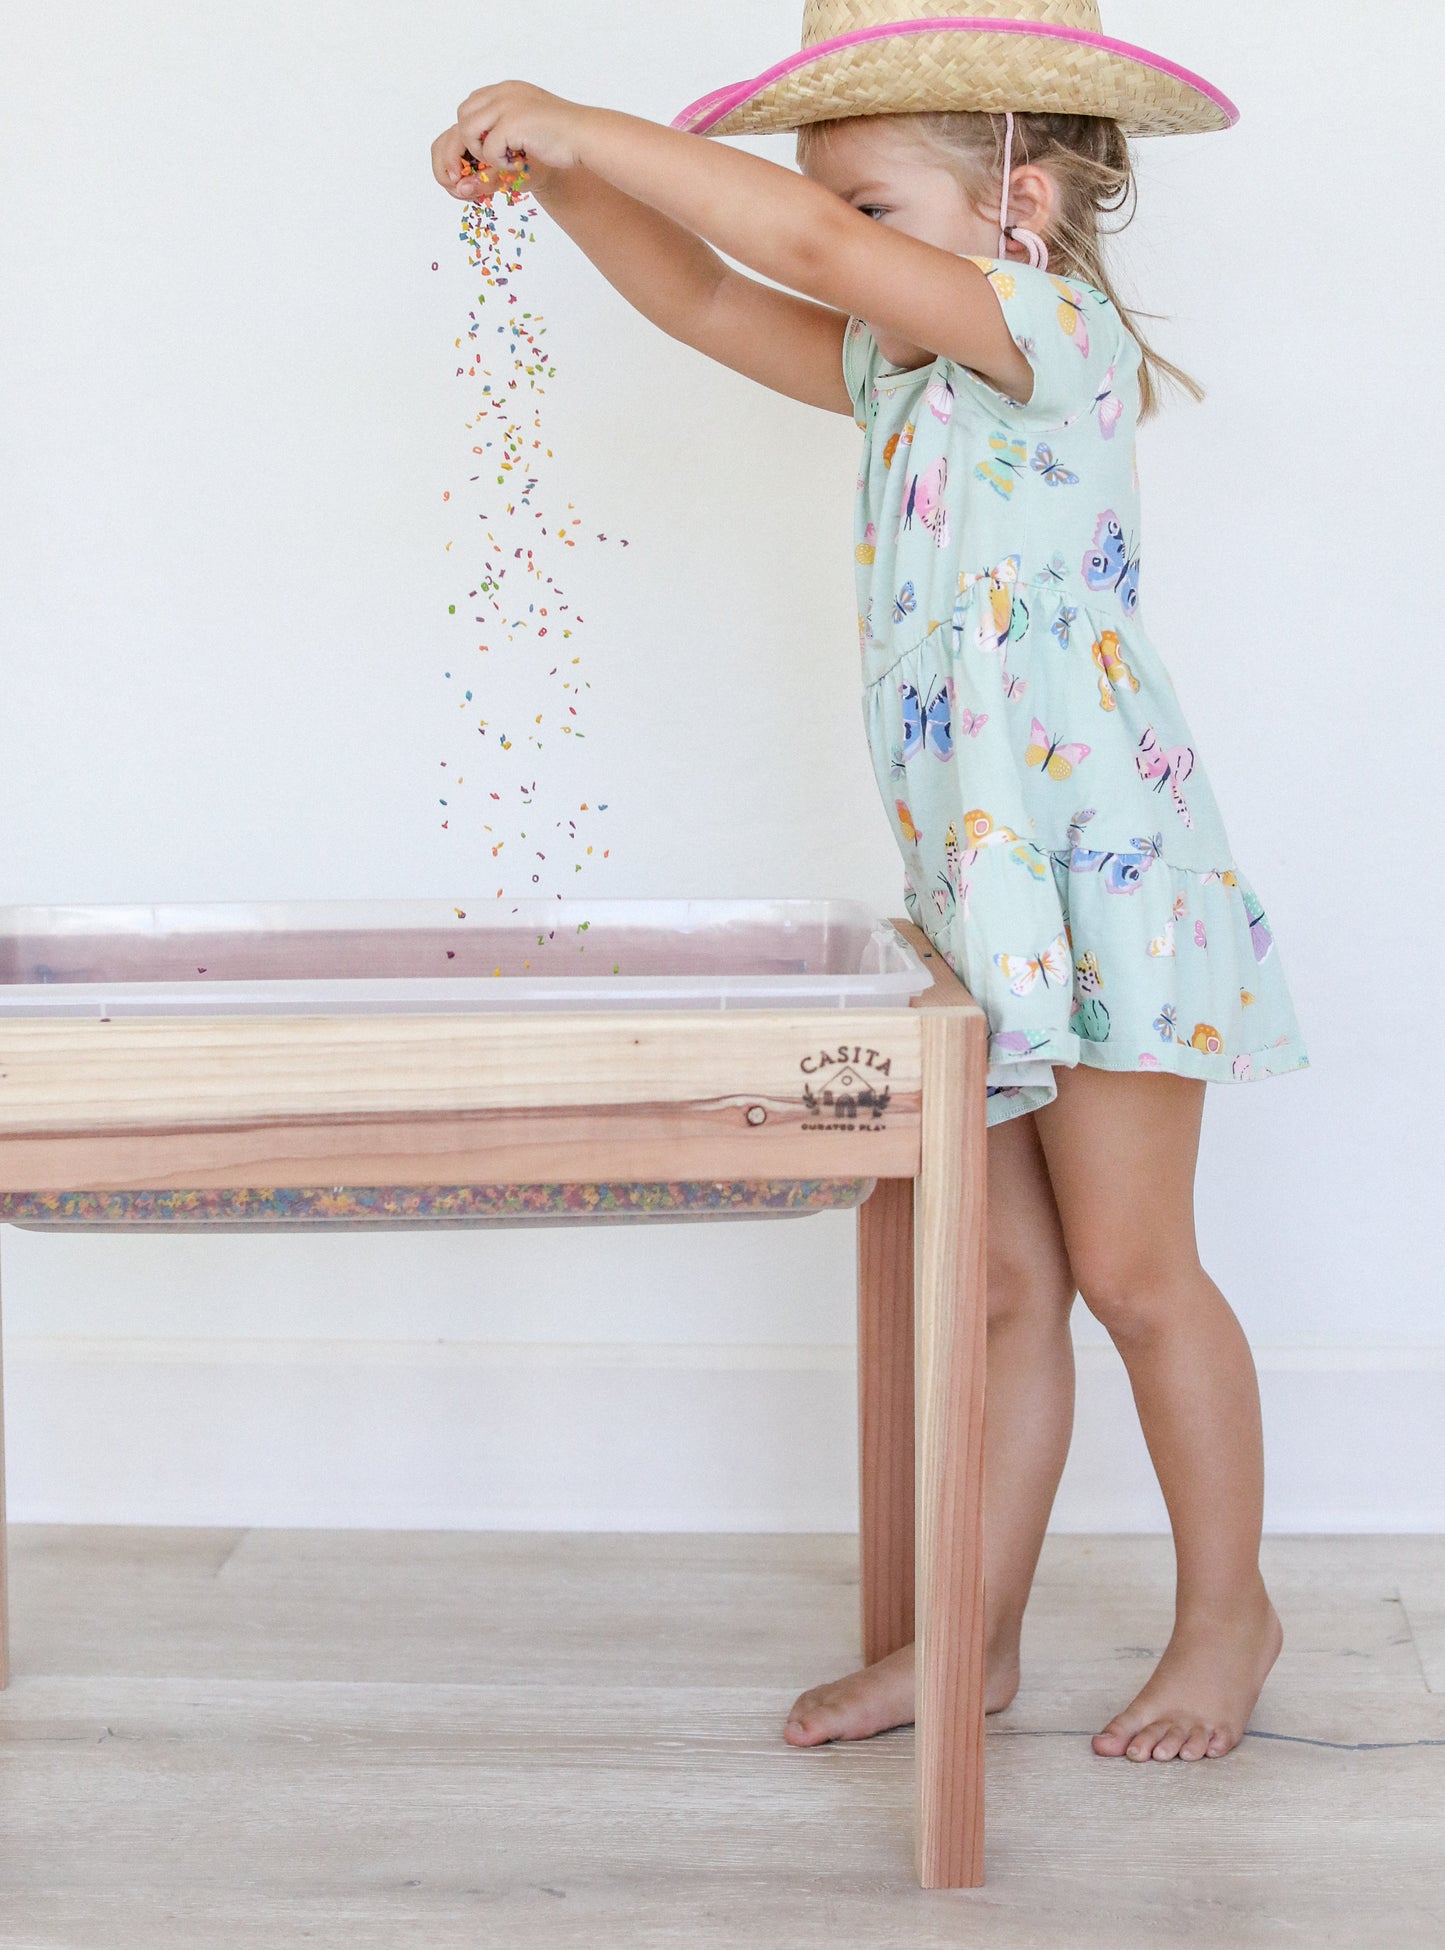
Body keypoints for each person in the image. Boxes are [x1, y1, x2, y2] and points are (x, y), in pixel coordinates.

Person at [431, 0, 1309, 1766]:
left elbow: (796, 240)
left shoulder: (1046, 344)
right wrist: (559, 183)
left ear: (1017, 210)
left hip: (1109, 883)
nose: (843, 253)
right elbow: (703, 292)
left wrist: (587, 119)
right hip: (977, 904)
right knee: (999, 1289)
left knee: (1141, 1276)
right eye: (845, 215)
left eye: (880, 215)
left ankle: (1230, 1612)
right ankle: (966, 1641)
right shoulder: (888, 375)